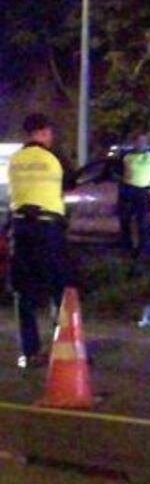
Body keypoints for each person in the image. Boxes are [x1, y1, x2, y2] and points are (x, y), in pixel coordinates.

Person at [5, 113, 76, 369]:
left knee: (23, 291)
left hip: (20, 227)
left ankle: (29, 351)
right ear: (44, 132)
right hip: (48, 228)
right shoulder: (54, 157)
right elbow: (71, 182)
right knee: (60, 286)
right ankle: (63, 346)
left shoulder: (15, 159)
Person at [119, 133, 150, 257]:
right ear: (134, 143)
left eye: (144, 141)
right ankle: (127, 246)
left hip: (143, 191)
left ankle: (143, 248)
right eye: (139, 141)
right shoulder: (126, 156)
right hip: (128, 189)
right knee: (126, 219)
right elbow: (117, 170)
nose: (142, 144)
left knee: (142, 220)